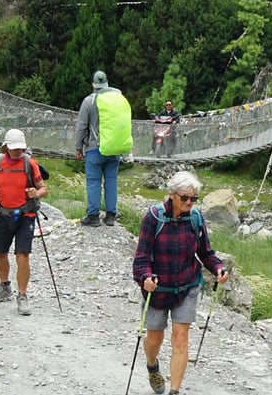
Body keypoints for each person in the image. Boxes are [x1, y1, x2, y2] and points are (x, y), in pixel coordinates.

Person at [132, 170, 230, 395]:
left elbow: (205, 252)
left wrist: (217, 268)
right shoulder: (154, 217)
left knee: (181, 338)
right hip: (157, 289)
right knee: (154, 339)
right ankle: (152, 365)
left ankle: (174, 391)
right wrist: (145, 277)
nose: (189, 203)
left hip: (187, 286)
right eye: (184, 198)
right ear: (171, 195)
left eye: (193, 199)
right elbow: (141, 258)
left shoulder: (195, 219)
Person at [0, 129, 48, 316]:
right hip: (3, 214)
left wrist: (36, 193)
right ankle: (4, 287)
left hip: (26, 215)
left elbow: (43, 189)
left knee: (22, 254)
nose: (18, 151)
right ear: (6, 147)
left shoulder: (29, 164)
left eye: (20, 148)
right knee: (0, 253)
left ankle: (22, 296)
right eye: (14, 148)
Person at [75, 70, 124, 227]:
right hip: (115, 148)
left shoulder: (89, 101)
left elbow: (81, 127)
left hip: (94, 148)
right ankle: (110, 216)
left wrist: (78, 147)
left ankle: (93, 216)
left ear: (93, 85)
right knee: (111, 181)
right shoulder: (117, 99)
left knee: (93, 182)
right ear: (107, 82)